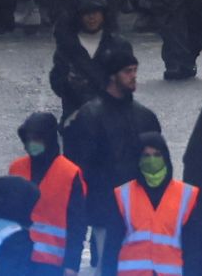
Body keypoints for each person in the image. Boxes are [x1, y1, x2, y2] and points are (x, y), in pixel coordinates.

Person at [63, 47, 162, 263]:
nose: (134, 76)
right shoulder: (90, 116)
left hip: (138, 211)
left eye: (135, 70)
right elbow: (80, 169)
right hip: (105, 212)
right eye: (127, 71)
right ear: (112, 75)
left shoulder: (145, 116)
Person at [101, 131, 202, 276]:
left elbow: (193, 250)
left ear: (166, 157)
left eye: (157, 155)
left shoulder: (186, 196)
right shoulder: (123, 195)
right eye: (146, 155)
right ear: (138, 159)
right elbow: (111, 248)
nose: (152, 160)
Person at [7, 111, 86, 274]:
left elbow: (77, 224)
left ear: (49, 138)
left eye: (37, 138)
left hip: (52, 263)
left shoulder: (70, 173)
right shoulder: (16, 168)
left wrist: (72, 264)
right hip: (17, 257)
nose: (31, 144)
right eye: (28, 139)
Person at [49, 0, 132, 119]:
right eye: (86, 13)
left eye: (96, 12)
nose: (91, 17)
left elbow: (128, 82)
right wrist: (69, 83)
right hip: (76, 115)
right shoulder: (67, 46)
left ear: (104, 14)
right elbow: (56, 81)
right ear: (78, 16)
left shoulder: (119, 45)